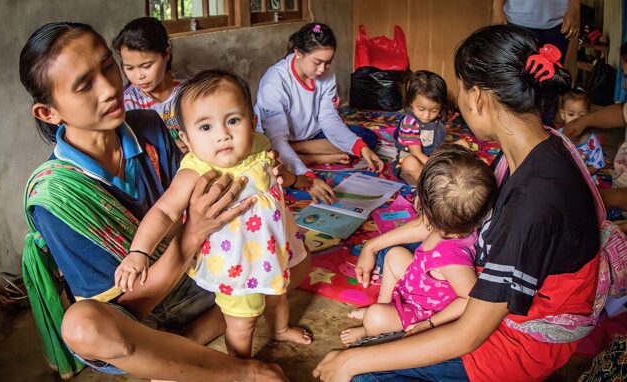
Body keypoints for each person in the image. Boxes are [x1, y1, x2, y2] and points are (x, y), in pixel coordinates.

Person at [314, 24, 600, 382]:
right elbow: (447, 216)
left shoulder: (533, 202)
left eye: (461, 89)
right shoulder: (532, 151)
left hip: (516, 343)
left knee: (361, 375)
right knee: (397, 253)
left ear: (478, 96)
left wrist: (352, 362)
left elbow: (470, 334)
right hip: (492, 290)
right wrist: (374, 242)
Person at [19, 21, 296, 381]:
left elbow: (201, 190)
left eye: (107, 67)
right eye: (84, 85)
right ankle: (237, 371)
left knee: (292, 258)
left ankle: (180, 348)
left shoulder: (147, 125)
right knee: (84, 327)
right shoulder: (55, 196)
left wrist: (261, 178)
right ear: (48, 112)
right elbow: (131, 307)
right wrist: (192, 233)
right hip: (147, 308)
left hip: (202, 274)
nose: (109, 88)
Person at [115, 69, 312, 359]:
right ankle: (241, 366)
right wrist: (138, 252)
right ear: (186, 138)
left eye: (233, 120)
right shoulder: (196, 170)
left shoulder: (260, 145)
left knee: (278, 296)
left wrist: (291, 177)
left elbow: (279, 175)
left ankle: (280, 329)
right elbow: (164, 212)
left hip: (273, 248)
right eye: (205, 128)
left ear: (253, 122)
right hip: (237, 264)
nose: (223, 135)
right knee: (242, 323)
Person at [340, 144, 497, 347]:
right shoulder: (452, 224)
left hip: (423, 312)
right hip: (417, 288)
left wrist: (430, 324)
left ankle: (371, 331)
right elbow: (423, 228)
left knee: (375, 318)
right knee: (394, 255)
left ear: (426, 211)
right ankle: (385, 307)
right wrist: (372, 246)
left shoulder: (452, 259)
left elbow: (469, 299)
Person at [255, 22, 384, 205]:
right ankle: (303, 153)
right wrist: (307, 177)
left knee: (365, 139)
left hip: (309, 135)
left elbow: (329, 119)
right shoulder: (274, 82)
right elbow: (275, 139)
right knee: (269, 161)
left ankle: (297, 149)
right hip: (274, 138)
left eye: (328, 62)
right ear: (298, 53)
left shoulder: (326, 75)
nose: (323, 69)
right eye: (317, 62)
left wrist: (361, 148)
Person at [564, 42, 627, 230]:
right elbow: (620, 113)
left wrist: (602, 197)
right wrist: (585, 121)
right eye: (625, 75)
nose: (625, 85)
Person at [113, 17, 188, 153]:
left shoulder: (189, 89)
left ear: (166, 54)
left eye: (146, 66)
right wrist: (168, 151)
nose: (139, 76)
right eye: (129, 68)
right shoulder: (127, 104)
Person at [393, 70, 468, 184]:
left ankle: (439, 179)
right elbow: (417, 153)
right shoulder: (410, 122)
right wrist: (437, 166)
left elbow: (439, 141)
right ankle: (431, 184)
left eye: (434, 110)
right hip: (416, 159)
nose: (427, 115)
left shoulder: (437, 119)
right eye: (421, 109)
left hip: (433, 157)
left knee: (463, 144)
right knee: (410, 164)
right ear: (410, 102)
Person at [491, 0, 580, 60]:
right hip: (516, 20)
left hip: (557, 22)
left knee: (550, 79)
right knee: (514, 79)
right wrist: (497, 9)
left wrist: (575, 7)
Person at [557, 89, 604, 182]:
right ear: (563, 114)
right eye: (571, 114)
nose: (576, 120)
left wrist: (577, 173)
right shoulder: (557, 136)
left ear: (588, 116)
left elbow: (596, 166)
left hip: (583, 182)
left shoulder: (592, 142)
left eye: (581, 116)